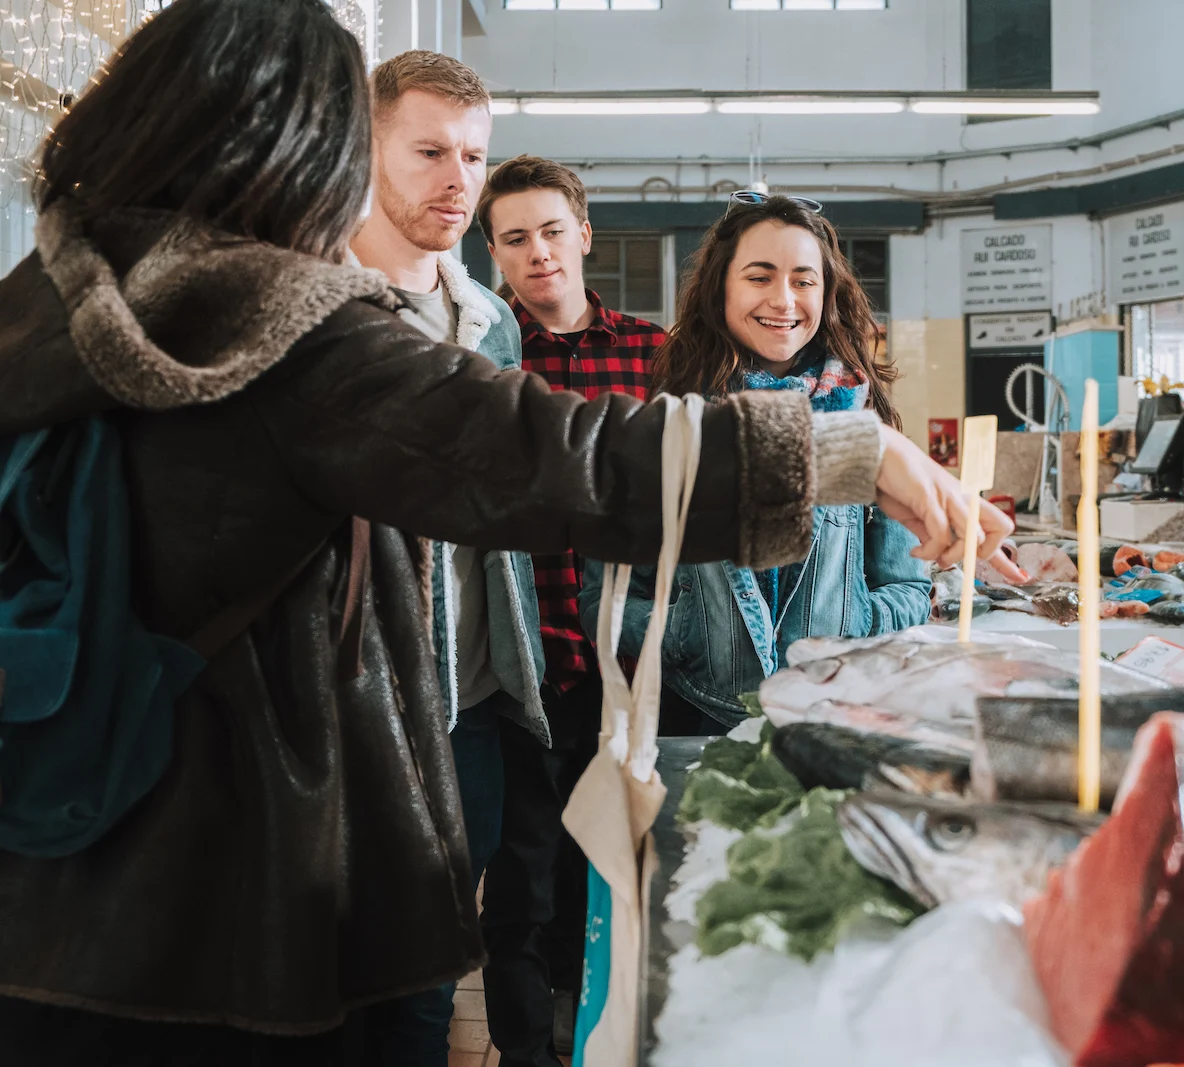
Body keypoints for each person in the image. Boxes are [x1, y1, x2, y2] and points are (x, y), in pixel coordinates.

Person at [0, 0, 1016, 1061]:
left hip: (53, 863)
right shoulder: (284, 330)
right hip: (240, 918)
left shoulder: (42, 306)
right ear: (296, 149)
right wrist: (847, 448)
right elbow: (562, 457)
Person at [344, 51, 534, 1067]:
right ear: (364, 146)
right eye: (427, 152)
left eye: (473, 155)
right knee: (335, 970)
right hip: (349, 701)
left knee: (429, 970)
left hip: (466, 698)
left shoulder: (491, 320)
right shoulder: (320, 306)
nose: (456, 180)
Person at [579, 194, 932, 737]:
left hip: (832, 714)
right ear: (722, 287)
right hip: (700, 712)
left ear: (827, 292)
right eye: (759, 277)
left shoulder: (865, 419)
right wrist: (687, 635)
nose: (784, 299)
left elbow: (910, 588)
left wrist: (855, 623)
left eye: (804, 280)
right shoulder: (672, 425)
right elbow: (604, 599)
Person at [476, 155, 662, 1066]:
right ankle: (526, 1052)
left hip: (636, 664)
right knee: (523, 886)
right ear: (494, 253)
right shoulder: (478, 361)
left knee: (618, 875)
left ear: (584, 233)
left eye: (552, 230)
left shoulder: (656, 353)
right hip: (523, 662)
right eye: (515, 238)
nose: (538, 252)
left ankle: (606, 1038)